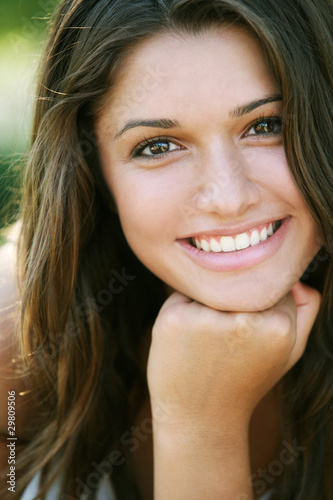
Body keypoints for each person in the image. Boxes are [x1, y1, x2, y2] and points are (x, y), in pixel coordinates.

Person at [0, 0, 332, 498]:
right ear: (94, 178)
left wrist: (201, 427)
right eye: (158, 146)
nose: (228, 197)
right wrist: (200, 421)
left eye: (266, 126)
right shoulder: (19, 338)